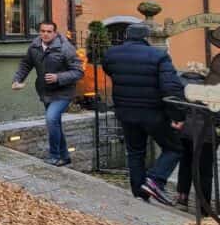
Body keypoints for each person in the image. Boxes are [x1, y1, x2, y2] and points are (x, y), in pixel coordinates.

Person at [102, 23, 184, 205]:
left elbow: (109, 70)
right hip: (153, 111)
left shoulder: (112, 54)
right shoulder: (159, 56)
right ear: (146, 37)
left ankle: (140, 193)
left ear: (127, 36)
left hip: (125, 110)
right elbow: (171, 87)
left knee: (135, 152)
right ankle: (155, 179)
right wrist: (178, 115)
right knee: (174, 148)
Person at [12, 20, 83, 166]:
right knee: (54, 123)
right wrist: (17, 80)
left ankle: (54, 156)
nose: (45, 34)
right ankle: (64, 156)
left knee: (51, 119)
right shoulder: (35, 46)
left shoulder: (65, 48)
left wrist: (58, 77)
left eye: (49, 31)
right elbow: (26, 64)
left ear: (55, 33)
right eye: (42, 31)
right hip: (45, 92)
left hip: (64, 92)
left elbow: (78, 72)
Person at [175, 65, 216, 213]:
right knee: (204, 170)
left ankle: (182, 198)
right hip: (206, 135)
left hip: (185, 132)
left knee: (185, 164)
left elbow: (177, 107)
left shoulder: (180, 83)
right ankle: (203, 206)